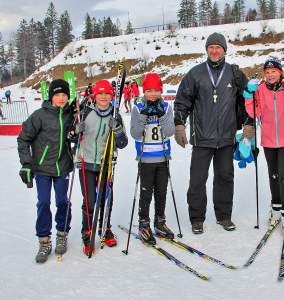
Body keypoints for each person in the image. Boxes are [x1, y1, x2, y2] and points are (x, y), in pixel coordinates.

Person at [173, 32, 252, 234]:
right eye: (211, 47)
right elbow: (182, 101)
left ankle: (224, 216)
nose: (215, 50)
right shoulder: (195, 73)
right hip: (202, 137)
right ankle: (197, 218)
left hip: (226, 137)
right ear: (207, 50)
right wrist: (179, 124)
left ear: (224, 50)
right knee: (198, 179)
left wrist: (249, 123)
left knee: (225, 177)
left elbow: (248, 100)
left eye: (219, 47)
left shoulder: (234, 73)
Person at [243, 57, 284, 233]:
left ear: (280, 72)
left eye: (274, 72)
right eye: (267, 72)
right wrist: (249, 94)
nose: (270, 75)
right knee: (274, 175)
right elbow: (254, 112)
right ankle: (276, 208)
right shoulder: (261, 89)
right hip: (269, 139)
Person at [17, 79, 75, 263]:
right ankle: (44, 241)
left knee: (62, 201)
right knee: (43, 202)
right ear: (50, 96)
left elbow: (74, 135)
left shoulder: (70, 115)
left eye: (64, 95)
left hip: (62, 166)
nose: (61, 98)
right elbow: (23, 139)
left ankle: (61, 233)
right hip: (42, 168)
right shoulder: (39, 116)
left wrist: (76, 131)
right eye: (57, 95)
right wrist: (26, 163)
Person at [75, 79, 128, 255]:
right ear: (94, 95)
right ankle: (87, 232)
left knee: (106, 199)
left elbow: (123, 143)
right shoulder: (85, 112)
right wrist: (77, 130)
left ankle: (104, 228)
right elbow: (72, 136)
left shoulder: (115, 115)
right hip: (87, 163)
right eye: (100, 93)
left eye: (107, 94)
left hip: (106, 164)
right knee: (90, 201)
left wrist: (118, 129)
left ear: (112, 96)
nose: (104, 97)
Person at [130, 73, 176, 245]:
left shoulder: (166, 107)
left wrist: (161, 115)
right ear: (144, 91)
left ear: (161, 91)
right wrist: (143, 115)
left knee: (161, 193)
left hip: (163, 158)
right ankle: (144, 224)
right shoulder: (137, 107)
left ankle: (160, 222)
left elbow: (170, 131)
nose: (152, 94)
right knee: (146, 193)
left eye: (156, 90)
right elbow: (135, 134)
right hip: (146, 159)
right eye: (149, 90)